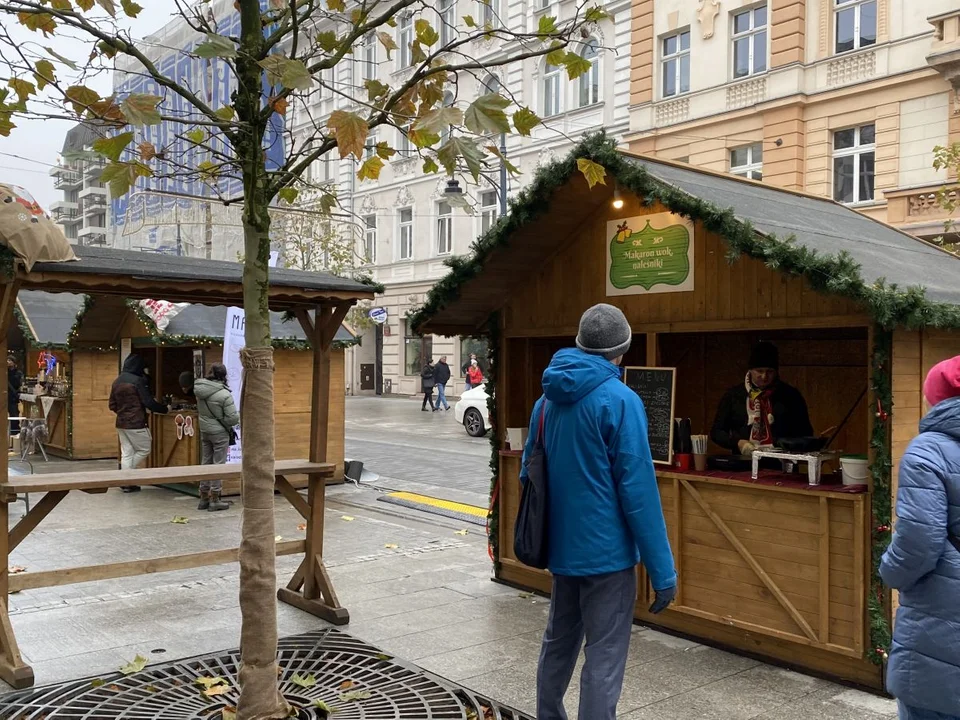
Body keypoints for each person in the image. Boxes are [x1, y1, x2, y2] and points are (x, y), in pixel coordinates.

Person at [521, 303, 676, 720]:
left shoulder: (545, 401)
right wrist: (663, 574)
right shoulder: (621, 401)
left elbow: (528, 476)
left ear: (580, 343)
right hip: (607, 557)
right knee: (604, 655)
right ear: (621, 351)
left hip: (562, 551)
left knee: (558, 641)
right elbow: (639, 493)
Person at [880, 355, 960, 720]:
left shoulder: (928, 450)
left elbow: (916, 545)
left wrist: (889, 573)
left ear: (935, 398)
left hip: (941, 618)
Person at [710, 341, 813, 454]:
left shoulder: (791, 395)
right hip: (742, 463)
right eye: (759, 371)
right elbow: (717, 432)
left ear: (776, 372)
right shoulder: (734, 395)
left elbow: (805, 433)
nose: (764, 376)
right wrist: (738, 442)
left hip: (781, 463)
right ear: (750, 370)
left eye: (769, 372)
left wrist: (784, 443)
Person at [108, 354, 168, 492]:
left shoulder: (117, 381)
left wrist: (123, 413)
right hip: (136, 423)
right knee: (144, 449)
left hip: (121, 423)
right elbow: (149, 402)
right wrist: (165, 409)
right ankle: (126, 478)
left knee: (127, 453)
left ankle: (127, 482)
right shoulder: (138, 381)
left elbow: (111, 405)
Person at [193, 363, 239, 512]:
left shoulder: (199, 390)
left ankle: (203, 498)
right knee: (218, 464)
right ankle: (215, 499)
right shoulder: (224, 394)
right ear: (223, 375)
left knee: (206, 462)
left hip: (205, 431)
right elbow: (232, 419)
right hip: (219, 433)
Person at [7, 357, 22, 436]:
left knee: (14, 415)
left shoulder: (18, 373)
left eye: (10, 360)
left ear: (14, 362)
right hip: (5, 395)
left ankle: (15, 431)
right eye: (7, 360)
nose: (8, 362)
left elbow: (19, 384)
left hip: (13, 397)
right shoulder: (5, 372)